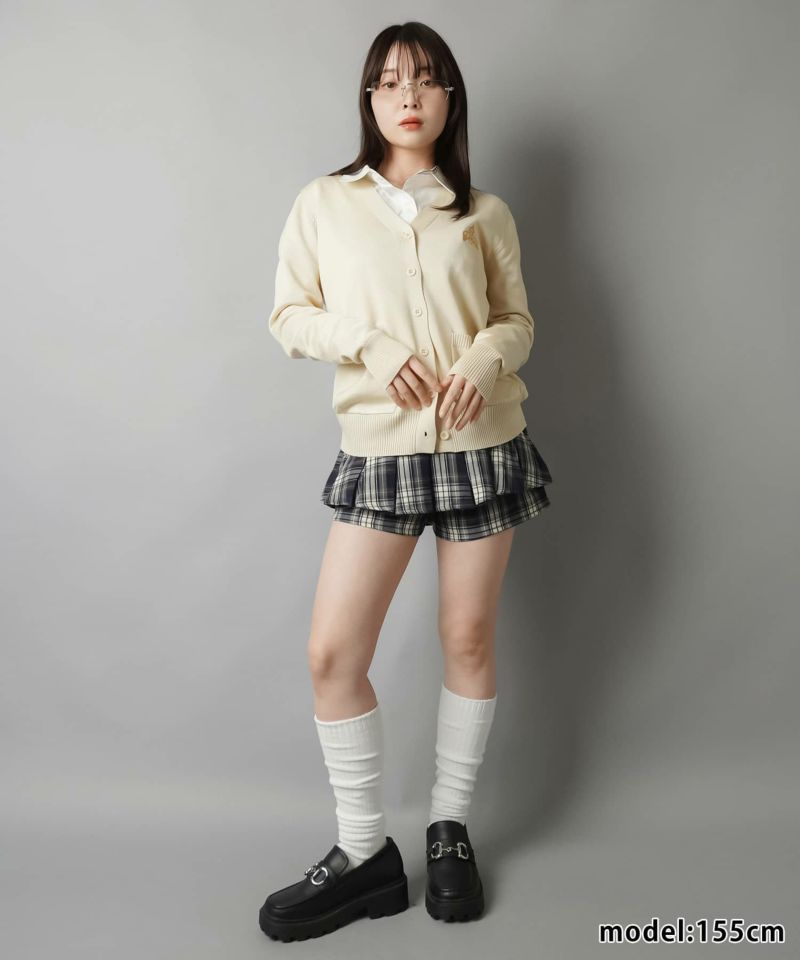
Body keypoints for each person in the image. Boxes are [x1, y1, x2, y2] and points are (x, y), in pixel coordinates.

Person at [258, 21, 553, 942]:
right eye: (389, 82)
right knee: (332, 655)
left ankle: (450, 827)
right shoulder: (325, 202)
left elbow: (517, 321)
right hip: (381, 452)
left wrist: (486, 359)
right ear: (370, 100)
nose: (408, 96)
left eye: (426, 79)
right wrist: (371, 346)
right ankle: (365, 853)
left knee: (467, 637)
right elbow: (289, 315)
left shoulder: (484, 212)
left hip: (482, 444)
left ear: (450, 97)